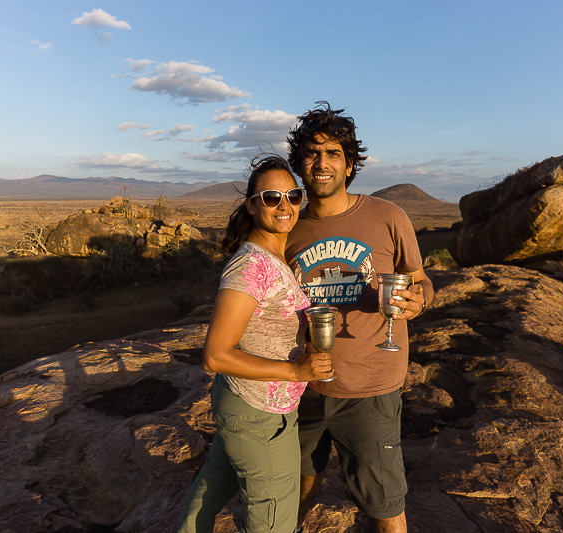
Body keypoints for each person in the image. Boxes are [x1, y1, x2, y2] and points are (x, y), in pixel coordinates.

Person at [285, 102, 434, 533]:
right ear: (300, 165)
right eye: (312, 153)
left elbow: (420, 280)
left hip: (370, 386)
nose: (322, 163)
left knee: (383, 504)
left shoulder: (388, 216)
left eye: (333, 153)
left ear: (350, 165)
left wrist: (419, 301)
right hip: (302, 384)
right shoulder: (287, 225)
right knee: (293, 489)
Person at [178, 155, 334, 533]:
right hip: (260, 413)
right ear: (251, 205)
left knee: (212, 488)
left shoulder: (276, 255)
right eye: (271, 197)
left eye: (293, 195)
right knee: (272, 522)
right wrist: (295, 370)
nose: (285, 205)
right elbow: (215, 356)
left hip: (246, 406)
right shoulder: (251, 266)